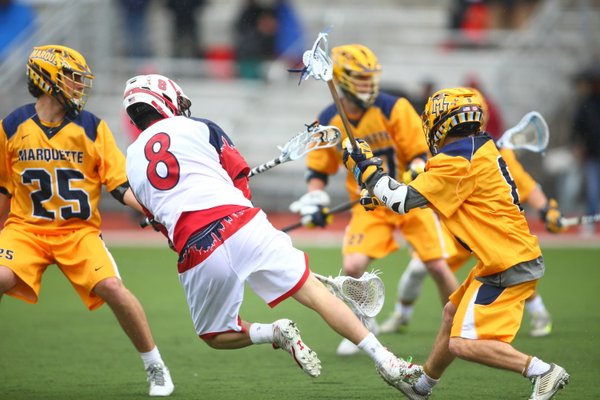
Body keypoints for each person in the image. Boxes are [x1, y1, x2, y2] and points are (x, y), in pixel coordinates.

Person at [121, 73, 423, 394]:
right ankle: (387, 360)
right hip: (244, 223)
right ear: (166, 100)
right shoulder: (202, 127)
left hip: (196, 245)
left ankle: (273, 332)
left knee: (215, 335)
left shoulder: (131, 161)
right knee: (316, 295)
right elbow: (240, 181)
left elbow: (161, 222)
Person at [341, 87, 570, 399]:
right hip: (502, 257)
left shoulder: (457, 161)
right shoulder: (479, 149)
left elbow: (401, 200)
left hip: (506, 262)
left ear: (439, 123)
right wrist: (380, 189)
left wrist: (368, 171)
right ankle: (421, 387)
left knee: (463, 343)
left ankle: (541, 371)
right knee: (452, 312)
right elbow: (428, 194)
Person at [0, 45, 174, 397]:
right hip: (26, 230)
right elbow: (3, 188)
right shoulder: (12, 126)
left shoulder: (91, 127)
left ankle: (155, 365)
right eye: (72, 78)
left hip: (78, 232)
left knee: (112, 287)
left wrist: (153, 211)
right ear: (47, 79)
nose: (79, 86)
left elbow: (119, 185)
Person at [289, 44, 458, 356]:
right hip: (370, 205)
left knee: (436, 265)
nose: (368, 84)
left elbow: (420, 152)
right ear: (341, 78)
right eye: (360, 77)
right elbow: (318, 167)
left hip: (408, 198)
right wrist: (315, 195)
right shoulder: (329, 119)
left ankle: (462, 328)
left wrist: (417, 169)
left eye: (370, 77)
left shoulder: (394, 107)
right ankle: (363, 324)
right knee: (352, 265)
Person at [380, 87, 563, 338]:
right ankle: (404, 315)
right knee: (418, 268)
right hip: (460, 232)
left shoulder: (490, 151)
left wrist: (546, 208)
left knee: (509, 267)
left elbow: (526, 184)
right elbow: (440, 178)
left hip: (487, 229)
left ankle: (537, 313)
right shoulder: (457, 150)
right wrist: (418, 175)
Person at [571, 66, 600, 236]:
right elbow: (577, 127)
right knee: (592, 190)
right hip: (592, 154)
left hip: (593, 152)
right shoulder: (586, 104)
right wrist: (577, 145)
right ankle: (590, 222)